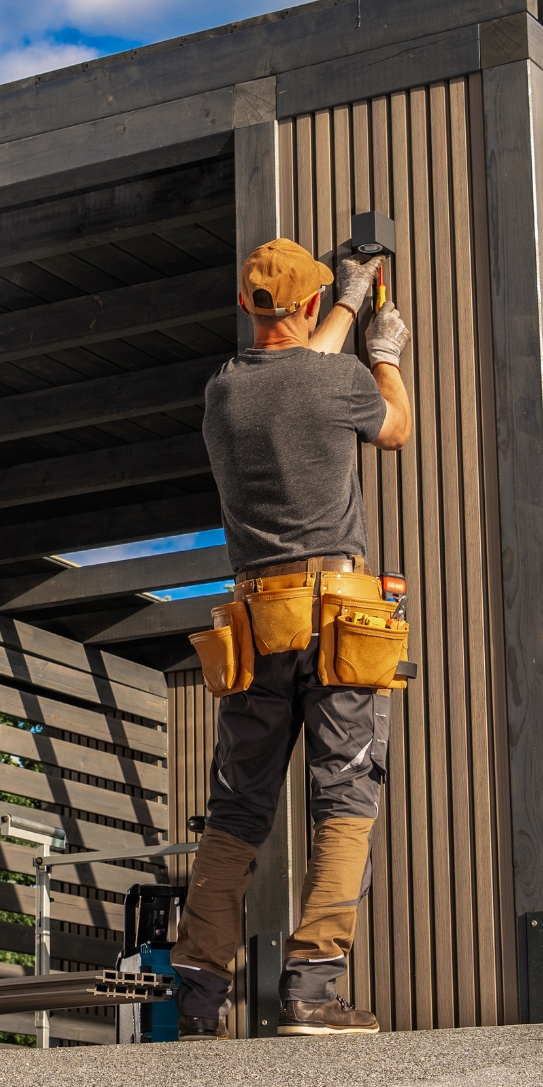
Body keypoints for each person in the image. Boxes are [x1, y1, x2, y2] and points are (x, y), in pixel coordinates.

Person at [170, 236, 413, 1039]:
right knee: (344, 799)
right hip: (340, 618)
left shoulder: (223, 392)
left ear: (246, 304)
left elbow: (297, 364)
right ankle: (311, 988)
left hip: (256, 624)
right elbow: (395, 428)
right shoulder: (342, 381)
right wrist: (385, 355)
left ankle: (199, 992)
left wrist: (347, 298)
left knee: (236, 810)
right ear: (308, 305)